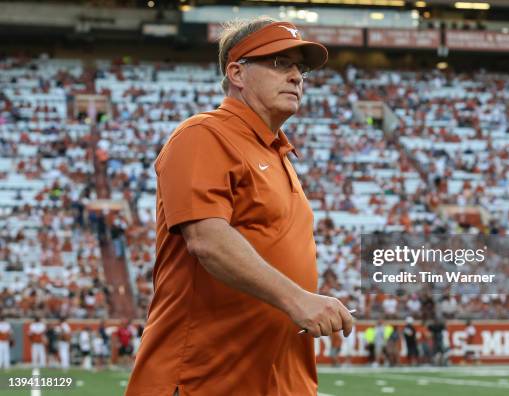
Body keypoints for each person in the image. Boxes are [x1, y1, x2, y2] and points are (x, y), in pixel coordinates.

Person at [126, 17, 353, 396]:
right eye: (281, 63)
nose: (297, 76)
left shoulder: (277, 152)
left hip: (277, 378)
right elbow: (208, 240)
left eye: (302, 67)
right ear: (237, 73)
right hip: (206, 377)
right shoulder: (204, 134)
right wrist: (298, 299)